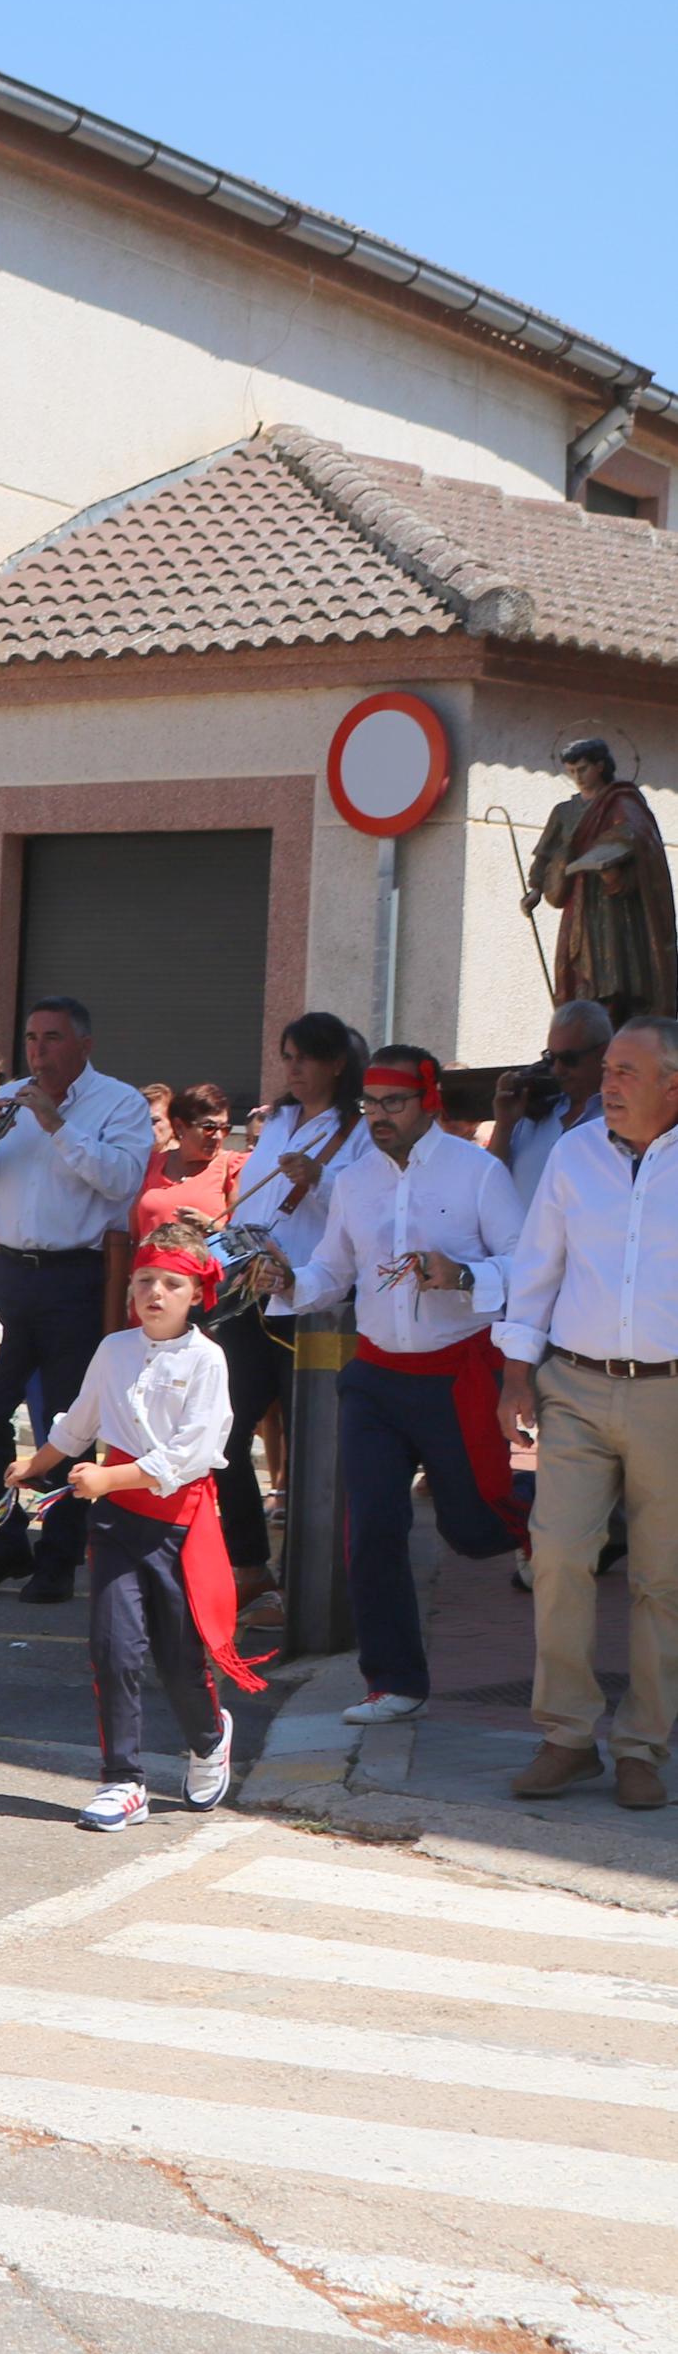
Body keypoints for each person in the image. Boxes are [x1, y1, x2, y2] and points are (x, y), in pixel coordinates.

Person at [289, 1045, 529, 1726]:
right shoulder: (352, 1180)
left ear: (429, 1100)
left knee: (475, 1528)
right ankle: (392, 1679)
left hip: (454, 1374)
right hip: (373, 1377)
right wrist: (287, 1280)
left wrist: (461, 1274)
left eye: (391, 1102)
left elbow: (527, 1265)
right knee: (370, 1526)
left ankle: (546, 1514)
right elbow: (329, 1273)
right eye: (368, 1103)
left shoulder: (477, 1172)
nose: (376, 1116)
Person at [494, 1011, 678, 1811]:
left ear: (672, 1084)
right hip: (571, 1383)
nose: (605, 1083)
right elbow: (535, 1269)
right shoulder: (571, 1155)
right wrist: (513, 1375)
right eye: (604, 1070)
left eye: (625, 1072)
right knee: (558, 1556)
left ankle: (641, 1745)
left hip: (670, 1393)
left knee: (660, 1581)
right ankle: (567, 1737)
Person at [8, 1238, 254, 1830]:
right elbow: (78, 1422)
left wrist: (107, 1477)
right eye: (143, 1281)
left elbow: (189, 1455)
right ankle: (123, 1780)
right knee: (114, 1650)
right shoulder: (113, 1349)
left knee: (178, 1659)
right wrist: (35, 1466)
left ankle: (208, 1737)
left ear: (197, 1296)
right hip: (116, 1521)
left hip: (175, 1525)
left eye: (170, 1284)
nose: (154, 1294)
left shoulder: (207, 1360)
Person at [0, 996, 150, 1602]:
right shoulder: (10, 1095)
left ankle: (60, 1556)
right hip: (7, 1274)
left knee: (65, 1422)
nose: (39, 1051)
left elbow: (120, 1179)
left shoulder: (120, 1103)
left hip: (76, 1276)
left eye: (53, 1038)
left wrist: (57, 1126)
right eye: (33, 1039)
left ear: (83, 1046)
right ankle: (2, 1539)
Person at [217, 1011, 372, 1582]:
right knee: (223, 1430)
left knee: (313, 1444)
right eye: (287, 1056)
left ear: (336, 1063)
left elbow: (367, 1213)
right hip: (251, 1292)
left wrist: (319, 1180)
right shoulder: (277, 1119)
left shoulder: (357, 1129)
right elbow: (255, 1202)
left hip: (315, 1303)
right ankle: (250, 1565)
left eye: (305, 1056)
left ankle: (314, 1578)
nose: (294, 1068)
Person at [525, 739, 677, 1023]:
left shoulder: (623, 802)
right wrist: (534, 890)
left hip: (617, 905)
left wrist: (616, 863)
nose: (578, 777)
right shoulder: (564, 812)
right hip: (579, 902)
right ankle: (581, 1027)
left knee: (615, 972)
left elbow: (642, 842)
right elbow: (545, 854)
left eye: (583, 769)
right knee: (578, 972)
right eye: (571, 771)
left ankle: (617, 1023)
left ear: (600, 766)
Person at [116, 1083, 241, 1322]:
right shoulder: (149, 1164)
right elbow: (132, 1235)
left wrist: (212, 1227)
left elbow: (245, 1238)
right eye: (208, 1127)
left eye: (224, 1128)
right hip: (148, 1299)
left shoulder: (230, 1167)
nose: (217, 1136)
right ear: (180, 1127)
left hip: (203, 1304)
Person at [490, 998, 615, 1214]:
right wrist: (503, 1126)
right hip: (521, 1246)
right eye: (551, 1057)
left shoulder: (620, 1118)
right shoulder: (533, 1112)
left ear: (603, 1053)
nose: (557, 1070)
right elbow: (490, 1186)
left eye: (568, 1059)